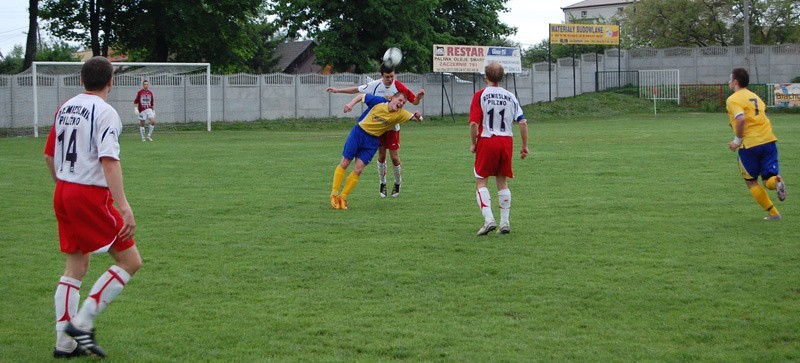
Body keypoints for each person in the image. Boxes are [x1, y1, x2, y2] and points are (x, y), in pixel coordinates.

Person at [44, 56, 142, 358]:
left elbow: (49, 156)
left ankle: (64, 342)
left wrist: (65, 186)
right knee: (130, 261)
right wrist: (123, 205)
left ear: (82, 80)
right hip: (87, 194)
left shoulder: (66, 107)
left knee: (76, 266)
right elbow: (109, 160)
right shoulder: (106, 112)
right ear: (111, 81)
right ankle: (82, 324)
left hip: (63, 189)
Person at [327, 63, 425, 198]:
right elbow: (357, 91)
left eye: (392, 76)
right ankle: (382, 182)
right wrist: (338, 91)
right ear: (382, 76)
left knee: (395, 158)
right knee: (381, 157)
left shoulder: (399, 87)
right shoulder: (375, 87)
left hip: (392, 127)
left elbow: (414, 102)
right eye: (387, 77)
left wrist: (419, 98)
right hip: (374, 129)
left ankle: (397, 182)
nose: (390, 79)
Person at [330, 92, 423, 210]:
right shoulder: (378, 102)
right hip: (358, 133)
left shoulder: (400, 114)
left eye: (403, 103)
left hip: (372, 142)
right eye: (399, 100)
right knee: (345, 162)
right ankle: (334, 194)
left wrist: (419, 116)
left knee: (358, 170)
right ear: (392, 98)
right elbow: (361, 96)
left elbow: (416, 118)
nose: (400, 104)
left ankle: (343, 197)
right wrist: (350, 104)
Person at [469, 62, 529, 236]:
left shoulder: (480, 95)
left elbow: (474, 123)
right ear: (502, 77)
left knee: (481, 181)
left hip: (488, 140)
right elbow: (523, 122)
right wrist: (524, 146)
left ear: (485, 76)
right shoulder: (510, 96)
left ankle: (489, 220)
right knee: (502, 181)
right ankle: (505, 222)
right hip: (506, 142)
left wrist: (473, 143)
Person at [726, 67, 786, 220]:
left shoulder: (733, 99)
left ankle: (774, 213)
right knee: (768, 179)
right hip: (768, 140)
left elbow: (741, 119)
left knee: (751, 181)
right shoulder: (755, 96)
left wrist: (737, 141)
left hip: (750, 144)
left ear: (735, 82)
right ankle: (777, 181)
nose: (728, 82)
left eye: (730, 79)